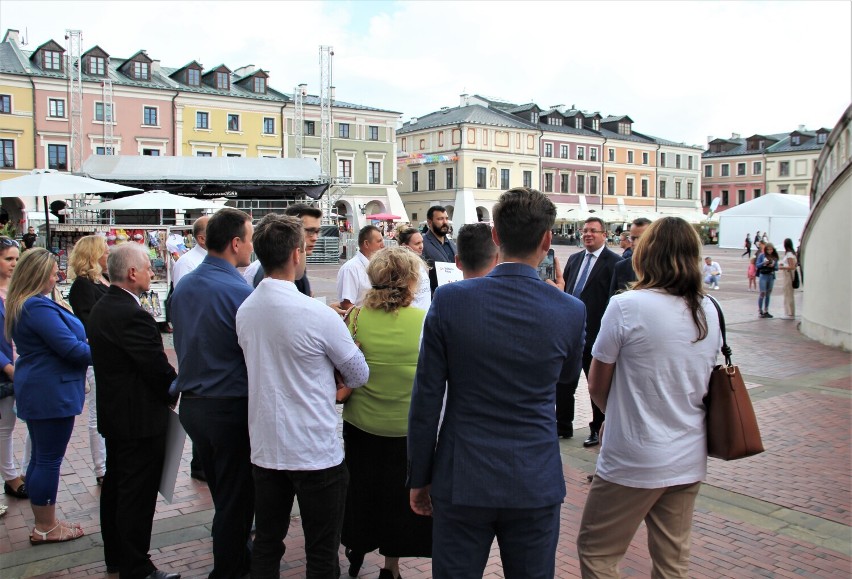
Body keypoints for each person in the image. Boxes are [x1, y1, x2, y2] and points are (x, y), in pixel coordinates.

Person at [407, 187, 585, 579]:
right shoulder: (570, 310)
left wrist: (419, 476)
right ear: (547, 240)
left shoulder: (452, 300)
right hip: (534, 476)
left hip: (462, 474)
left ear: (497, 237)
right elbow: (567, 381)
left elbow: (426, 399)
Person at [577, 216, 722, 578]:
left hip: (633, 453)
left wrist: (617, 412)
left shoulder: (628, 306)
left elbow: (597, 382)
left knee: (598, 551)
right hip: (688, 453)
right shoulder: (709, 309)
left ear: (647, 254)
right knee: (672, 560)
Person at [235, 214, 368, 578]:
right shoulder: (316, 314)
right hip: (313, 449)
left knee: (267, 542)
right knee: (322, 551)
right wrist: (342, 365)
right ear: (297, 254)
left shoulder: (245, 310)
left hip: (266, 445)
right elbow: (359, 372)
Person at [170, 208, 255, 579]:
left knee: (225, 495)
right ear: (235, 243)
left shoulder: (186, 284)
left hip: (194, 405)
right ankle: (229, 569)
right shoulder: (238, 290)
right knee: (236, 501)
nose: (251, 246)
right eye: (250, 239)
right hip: (228, 406)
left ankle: (237, 559)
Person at [88, 243, 180, 579]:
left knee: (117, 488)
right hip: (138, 421)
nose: (151, 272)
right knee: (135, 495)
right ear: (131, 273)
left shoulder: (105, 306)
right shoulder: (131, 314)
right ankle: (136, 565)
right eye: (146, 267)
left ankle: (118, 556)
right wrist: (176, 386)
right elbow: (156, 369)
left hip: (118, 416)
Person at [341, 247, 431, 579]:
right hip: (406, 429)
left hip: (361, 424)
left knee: (362, 490)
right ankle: (391, 567)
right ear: (410, 281)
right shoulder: (424, 321)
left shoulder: (357, 317)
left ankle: (357, 546)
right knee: (398, 499)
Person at [6, 248, 90, 544]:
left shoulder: (28, 303)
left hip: (42, 387)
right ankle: (45, 526)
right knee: (48, 460)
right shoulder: (36, 307)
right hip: (50, 390)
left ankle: (46, 520)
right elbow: (71, 349)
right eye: (54, 271)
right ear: (39, 274)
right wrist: (108, 349)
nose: (58, 275)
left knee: (42, 458)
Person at [559, 216, 620, 444]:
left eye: (593, 231)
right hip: (570, 334)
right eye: (585, 230)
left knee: (596, 384)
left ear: (605, 235)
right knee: (564, 382)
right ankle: (562, 425)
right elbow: (566, 291)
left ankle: (597, 428)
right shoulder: (574, 259)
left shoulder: (614, 263)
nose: (588, 234)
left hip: (596, 334)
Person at [67, 235, 110, 486]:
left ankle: (105, 464)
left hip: (104, 355)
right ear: (93, 256)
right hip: (95, 357)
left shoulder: (100, 280)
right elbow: (88, 323)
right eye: (104, 251)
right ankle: (101, 467)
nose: (108, 255)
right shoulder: (83, 286)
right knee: (96, 414)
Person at [244, 204, 323, 296]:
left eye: (317, 231)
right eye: (310, 231)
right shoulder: (285, 273)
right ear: (292, 227)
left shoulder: (262, 266)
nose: (315, 238)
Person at [0, 237, 26, 500]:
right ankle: (10, 476)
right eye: (8, 258)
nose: (14, 264)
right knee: (5, 425)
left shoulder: (18, 290)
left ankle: (25, 470)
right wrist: (7, 367)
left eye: (16, 259)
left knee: (31, 423)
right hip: (7, 369)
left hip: (25, 363)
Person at [337, 225, 384, 311]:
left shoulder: (378, 266)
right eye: (379, 241)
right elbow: (347, 305)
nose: (383, 245)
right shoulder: (351, 269)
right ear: (366, 244)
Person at [609, 218, 651, 296]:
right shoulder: (621, 267)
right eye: (632, 238)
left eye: (641, 238)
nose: (635, 242)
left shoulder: (663, 266)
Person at [421, 206, 457, 295]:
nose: (445, 222)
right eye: (440, 219)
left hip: (454, 293)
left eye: (446, 218)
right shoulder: (422, 244)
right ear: (429, 222)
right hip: (435, 297)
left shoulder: (452, 243)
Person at [396, 226, 431, 310]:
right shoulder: (401, 268)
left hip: (426, 317)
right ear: (405, 246)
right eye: (417, 243)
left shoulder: (422, 264)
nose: (421, 246)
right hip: (413, 319)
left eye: (422, 242)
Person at [171, 216, 209, 287]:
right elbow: (182, 295)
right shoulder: (185, 263)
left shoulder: (218, 259)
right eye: (215, 232)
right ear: (202, 239)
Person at [757, 242, 780, 318]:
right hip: (763, 275)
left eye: (771, 250)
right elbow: (757, 265)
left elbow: (777, 267)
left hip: (771, 275)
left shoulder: (774, 257)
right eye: (768, 250)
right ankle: (760, 310)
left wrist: (773, 265)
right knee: (762, 292)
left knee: (768, 294)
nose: (769, 251)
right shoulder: (762, 255)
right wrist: (764, 263)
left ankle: (766, 310)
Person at [779, 238, 798, 318]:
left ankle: (789, 312)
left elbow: (792, 266)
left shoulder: (789, 255)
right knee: (788, 293)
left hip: (788, 275)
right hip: (788, 274)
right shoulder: (792, 253)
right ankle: (789, 311)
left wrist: (781, 267)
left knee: (788, 293)